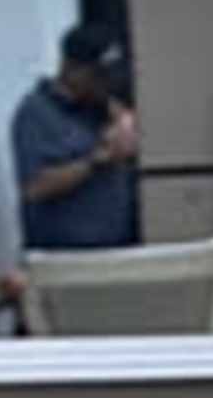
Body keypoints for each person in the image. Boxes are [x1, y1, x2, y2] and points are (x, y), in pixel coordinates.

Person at [12, 23, 141, 255]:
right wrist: (98, 160)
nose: (106, 85)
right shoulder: (36, 114)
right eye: (98, 76)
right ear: (70, 68)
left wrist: (127, 129)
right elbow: (35, 187)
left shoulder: (102, 109)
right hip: (63, 255)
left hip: (115, 248)